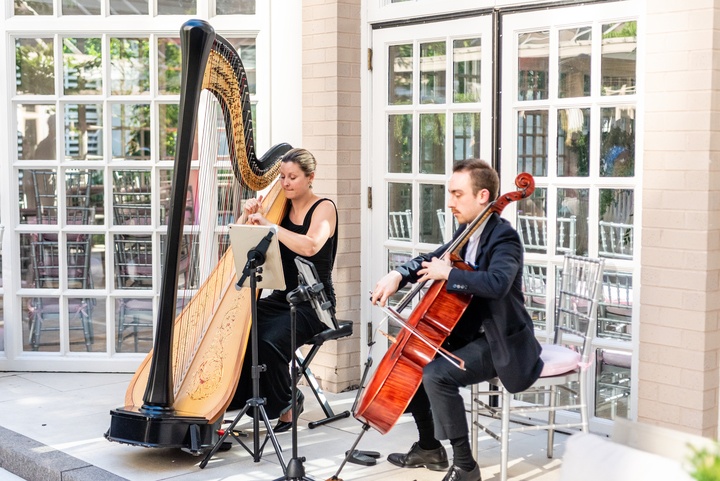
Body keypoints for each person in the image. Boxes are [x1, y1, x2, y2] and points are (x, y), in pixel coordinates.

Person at [371, 159, 544, 481]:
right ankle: (429, 447)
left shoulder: (504, 238)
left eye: (457, 194)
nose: (450, 202)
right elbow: (433, 259)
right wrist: (398, 274)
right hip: (467, 334)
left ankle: (465, 467)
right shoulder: (467, 232)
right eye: (449, 193)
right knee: (414, 360)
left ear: (482, 196)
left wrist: (449, 274)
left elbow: (497, 283)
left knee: (437, 374)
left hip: (500, 339)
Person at [228, 147, 338, 433]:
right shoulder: (279, 207)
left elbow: (311, 245)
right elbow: (241, 241)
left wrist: (272, 227)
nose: (286, 183)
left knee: (268, 341)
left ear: (310, 177)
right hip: (281, 297)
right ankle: (243, 399)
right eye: (282, 177)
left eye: (293, 177)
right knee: (238, 329)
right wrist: (247, 216)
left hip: (314, 303)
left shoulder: (324, 208)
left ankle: (288, 401)